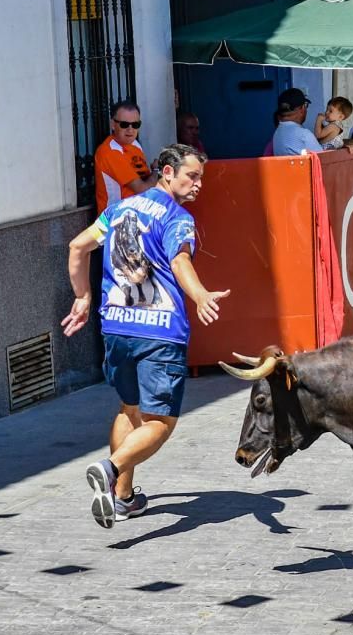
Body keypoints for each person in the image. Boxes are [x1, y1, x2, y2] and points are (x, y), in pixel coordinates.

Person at [64, 144, 230, 528]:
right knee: (160, 423)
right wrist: (201, 294)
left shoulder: (120, 208)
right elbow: (180, 259)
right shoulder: (177, 217)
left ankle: (122, 496)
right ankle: (110, 469)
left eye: (201, 177)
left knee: (129, 409)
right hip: (159, 333)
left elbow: (77, 247)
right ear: (167, 173)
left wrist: (82, 297)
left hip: (116, 327)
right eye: (191, 175)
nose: (198, 184)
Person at [95, 100, 154, 213]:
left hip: (137, 215)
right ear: (113, 124)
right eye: (124, 124)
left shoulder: (135, 145)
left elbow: (145, 179)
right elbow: (142, 188)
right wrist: (156, 171)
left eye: (135, 125)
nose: (130, 129)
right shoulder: (109, 151)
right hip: (116, 220)